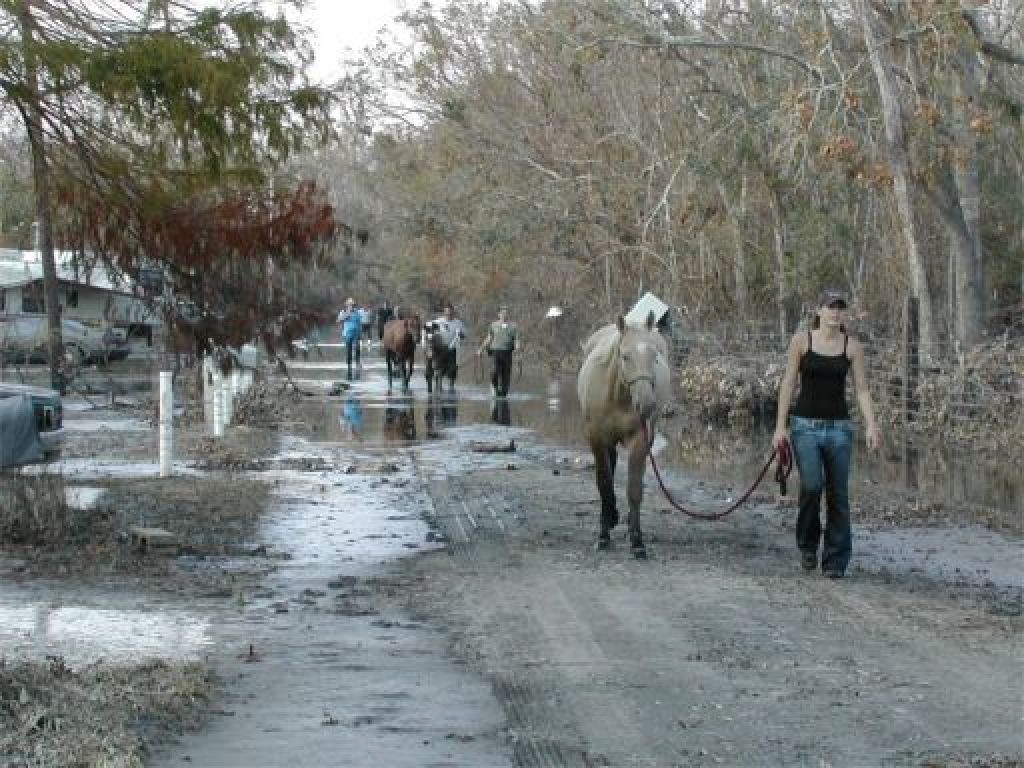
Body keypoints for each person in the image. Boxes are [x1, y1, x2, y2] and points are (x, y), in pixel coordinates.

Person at [773, 288, 881, 579]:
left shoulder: (852, 347)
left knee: (839, 494)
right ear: (819, 311)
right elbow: (787, 384)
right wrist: (780, 427)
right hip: (805, 426)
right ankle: (808, 544)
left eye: (840, 308)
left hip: (839, 430)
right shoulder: (802, 341)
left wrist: (871, 424)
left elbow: (862, 389)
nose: (835, 312)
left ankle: (835, 560)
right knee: (811, 486)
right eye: (830, 307)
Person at [476, 304, 519, 397]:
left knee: (506, 375)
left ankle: (504, 393)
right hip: (495, 351)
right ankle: (494, 387)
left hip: (507, 352)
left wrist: (518, 350)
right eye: (502, 312)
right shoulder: (493, 325)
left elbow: (516, 339)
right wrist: (481, 349)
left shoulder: (513, 326)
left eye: (506, 312)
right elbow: (489, 338)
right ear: (499, 314)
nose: (504, 314)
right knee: (494, 371)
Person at [337, 297, 363, 378]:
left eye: (352, 305)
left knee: (357, 349)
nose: (351, 306)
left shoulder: (357, 312)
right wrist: (346, 316)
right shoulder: (343, 312)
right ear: (347, 305)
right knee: (349, 350)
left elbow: (359, 323)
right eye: (350, 304)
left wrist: (360, 333)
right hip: (348, 334)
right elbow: (338, 320)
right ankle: (349, 366)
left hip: (356, 334)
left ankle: (358, 363)